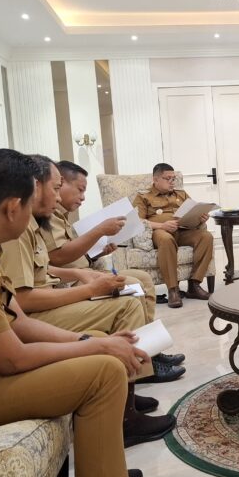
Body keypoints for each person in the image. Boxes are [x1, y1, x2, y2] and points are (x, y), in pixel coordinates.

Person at [0, 149, 143, 477]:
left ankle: (102, 473)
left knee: (97, 342)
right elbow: (12, 358)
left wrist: (91, 341)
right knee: (104, 372)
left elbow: (18, 321)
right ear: (13, 208)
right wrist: (99, 348)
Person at [0, 155, 176, 447]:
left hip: (54, 294)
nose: (58, 198)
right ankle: (126, 416)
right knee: (127, 303)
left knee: (133, 288)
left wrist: (80, 273)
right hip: (37, 313)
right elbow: (22, 299)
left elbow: (43, 269)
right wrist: (86, 286)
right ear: (34, 187)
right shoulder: (15, 229)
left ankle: (133, 382)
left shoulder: (31, 223)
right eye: (56, 188)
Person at [39, 160, 185, 382]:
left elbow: (66, 258)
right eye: (79, 189)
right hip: (70, 284)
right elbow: (58, 257)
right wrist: (99, 231)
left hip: (83, 273)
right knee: (133, 288)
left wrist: (95, 253)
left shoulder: (59, 216)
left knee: (144, 279)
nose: (82, 197)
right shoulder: (46, 217)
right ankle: (142, 366)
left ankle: (150, 351)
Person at [133, 163, 213, 308]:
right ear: (156, 179)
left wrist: (200, 218)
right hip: (160, 232)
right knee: (166, 239)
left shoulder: (181, 194)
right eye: (167, 178)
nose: (172, 182)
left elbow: (193, 212)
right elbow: (136, 222)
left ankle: (194, 285)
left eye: (173, 178)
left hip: (182, 231)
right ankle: (173, 289)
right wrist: (162, 226)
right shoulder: (143, 196)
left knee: (206, 237)